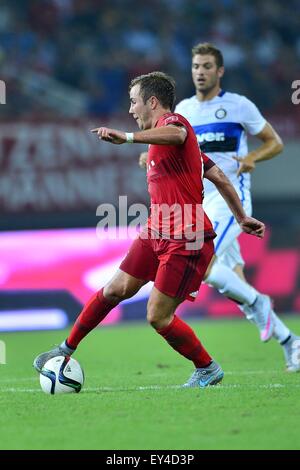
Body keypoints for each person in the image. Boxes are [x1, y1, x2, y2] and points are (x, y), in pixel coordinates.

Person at [33, 71, 266, 388]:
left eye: (134, 102)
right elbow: (220, 178)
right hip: (156, 229)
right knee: (114, 289)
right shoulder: (169, 142)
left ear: (152, 102)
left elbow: (177, 135)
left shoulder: (175, 123)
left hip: (187, 235)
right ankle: (64, 349)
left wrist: (128, 138)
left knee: (157, 316)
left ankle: (207, 368)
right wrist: (241, 217)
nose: (131, 110)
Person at [140, 43, 299, 372]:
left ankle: (261, 305)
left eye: (207, 66)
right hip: (197, 201)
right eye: (196, 66)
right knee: (230, 280)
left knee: (207, 265)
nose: (200, 71)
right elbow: (170, 145)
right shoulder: (184, 109)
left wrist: (252, 158)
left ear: (220, 71)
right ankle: (290, 342)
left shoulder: (239, 106)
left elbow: (275, 142)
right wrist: (149, 153)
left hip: (229, 199)